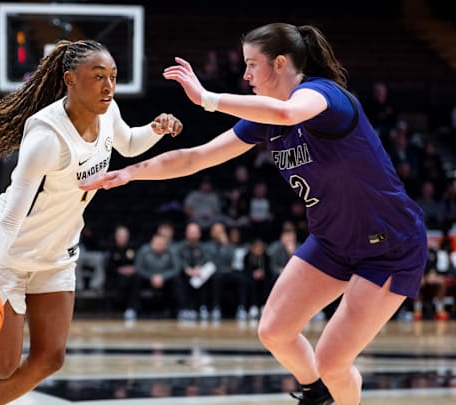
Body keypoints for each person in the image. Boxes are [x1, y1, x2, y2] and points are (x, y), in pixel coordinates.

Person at [81, 22, 427, 405]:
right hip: (332, 242)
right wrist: (131, 172)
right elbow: (197, 157)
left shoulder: (322, 95)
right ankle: (318, 393)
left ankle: (333, 390)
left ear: (279, 63)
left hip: (388, 245)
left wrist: (208, 99)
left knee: (332, 361)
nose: (245, 75)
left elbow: (286, 112)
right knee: (275, 331)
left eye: (251, 64)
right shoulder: (266, 120)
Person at [0, 39, 183, 405]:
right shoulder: (46, 138)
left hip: (57, 253)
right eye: (98, 76)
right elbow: (8, 224)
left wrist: (155, 128)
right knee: (3, 368)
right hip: (12, 251)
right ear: (70, 79)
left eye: (113, 77)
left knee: (50, 357)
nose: (108, 86)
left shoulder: (108, 111)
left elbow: (129, 144)